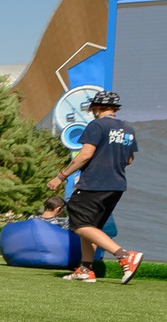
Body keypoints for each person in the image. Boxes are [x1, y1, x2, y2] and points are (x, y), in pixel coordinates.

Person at [53, 89, 142, 283]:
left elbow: (84, 155)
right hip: (117, 185)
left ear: (96, 107)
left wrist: (60, 176)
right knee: (91, 227)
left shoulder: (97, 125)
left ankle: (124, 256)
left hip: (95, 183)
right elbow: (129, 159)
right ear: (115, 108)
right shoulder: (128, 129)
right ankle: (86, 269)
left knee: (79, 224)